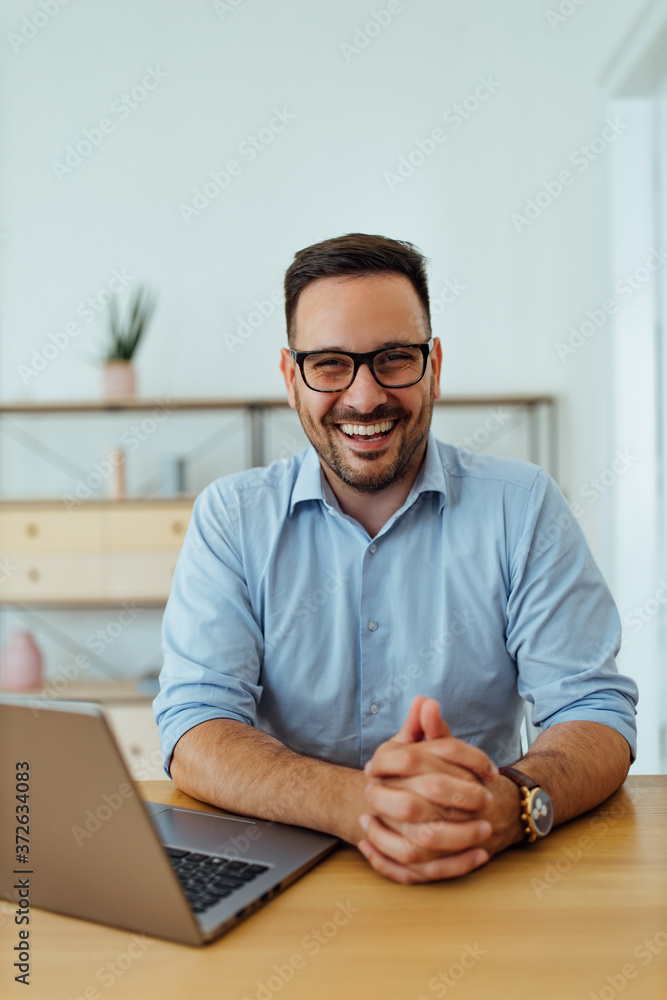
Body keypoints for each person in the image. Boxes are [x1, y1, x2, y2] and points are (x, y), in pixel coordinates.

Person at [154, 233, 638, 884]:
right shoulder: (231, 518)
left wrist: (515, 803)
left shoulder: (522, 507)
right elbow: (194, 727)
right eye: (329, 364)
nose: (363, 397)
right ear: (289, 378)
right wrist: (357, 804)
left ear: (433, 365)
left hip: (478, 864)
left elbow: (592, 712)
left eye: (392, 359)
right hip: (285, 874)